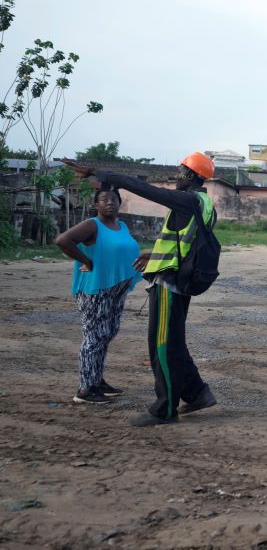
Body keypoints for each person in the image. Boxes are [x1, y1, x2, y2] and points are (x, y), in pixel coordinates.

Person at [62, 153, 219, 427]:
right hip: (177, 279)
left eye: (181, 170)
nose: (176, 174)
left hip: (170, 284)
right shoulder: (205, 204)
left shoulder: (189, 200)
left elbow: (145, 189)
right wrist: (154, 254)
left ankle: (165, 409)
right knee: (173, 342)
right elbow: (184, 243)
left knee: (162, 347)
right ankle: (197, 393)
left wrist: (98, 172)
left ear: (192, 175)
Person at [55, 186, 143, 405]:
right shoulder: (92, 225)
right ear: (96, 205)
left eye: (114, 199)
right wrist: (86, 261)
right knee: (94, 336)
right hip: (96, 289)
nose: (110, 203)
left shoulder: (121, 226)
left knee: (107, 332)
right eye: (104, 200)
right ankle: (85, 389)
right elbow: (62, 240)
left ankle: (96, 379)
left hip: (116, 289)